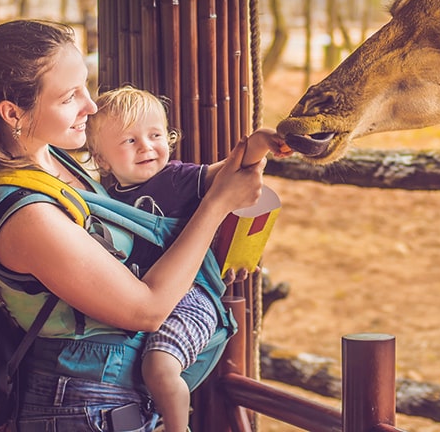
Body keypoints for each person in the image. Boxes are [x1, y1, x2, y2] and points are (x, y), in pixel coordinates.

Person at [0, 19, 268, 432]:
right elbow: (146, 309)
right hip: (79, 407)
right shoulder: (23, 213)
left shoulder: (51, 158)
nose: (90, 106)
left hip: (110, 397)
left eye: (86, 85)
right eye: (71, 97)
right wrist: (216, 205)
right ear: (13, 112)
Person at [85, 86, 291, 432]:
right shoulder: (105, 199)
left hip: (189, 296)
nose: (147, 146)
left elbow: (233, 168)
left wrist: (260, 141)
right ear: (102, 160)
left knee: (159, 367)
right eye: (129, 141)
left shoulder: (179, 178)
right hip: (145, 297)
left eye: (155, 135)